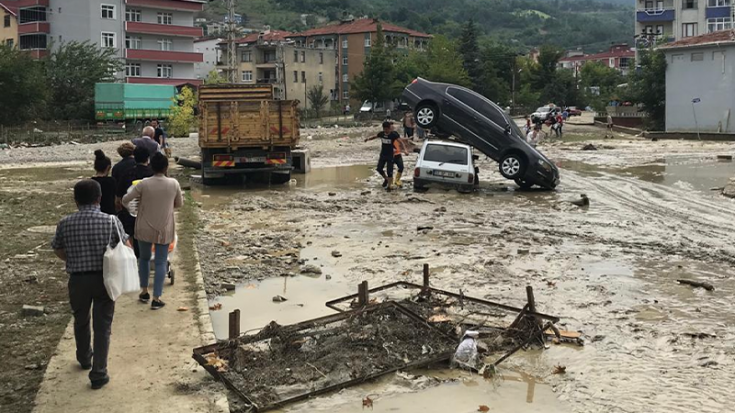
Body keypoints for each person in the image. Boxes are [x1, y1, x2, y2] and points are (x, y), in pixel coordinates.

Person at [52, 179, 128, 390]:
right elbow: (124, 245)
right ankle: (99, 373)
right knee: (102, 326)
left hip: (77, 279)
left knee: (81, 319)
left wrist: (73, 259)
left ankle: (84, 357)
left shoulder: (65, 222)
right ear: (99, 198)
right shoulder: (111, 221)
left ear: (75, 200)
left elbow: (57, 249)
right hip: (105, 279)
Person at [122, 153, 183, 310]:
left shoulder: (143, 184)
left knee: (143, 259)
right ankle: (157, 298)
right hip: (164, 227)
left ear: (151, 166)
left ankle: (143, 292)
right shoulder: (173, 183)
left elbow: (125, 200)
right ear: (166, 167)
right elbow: (179, 204)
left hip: (143, 227)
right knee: (162, 261)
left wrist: (136, 207)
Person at [116, 146, 154, 258]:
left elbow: (118, 197)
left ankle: (132, 258)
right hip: (150, 213)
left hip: (130, 211)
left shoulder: (127, 173)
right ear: (148, 158)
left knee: (131, 234)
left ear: (134, 157)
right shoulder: (153, 173)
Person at [365, 121, 400, 189]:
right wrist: (368, 139)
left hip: (390, 155)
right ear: (383, 128)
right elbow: (375, 136)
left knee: (389, 171)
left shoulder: (393, 135)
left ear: (389, 128)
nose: (386, 130)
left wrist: (405, 149)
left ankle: (389, 186)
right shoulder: (382, 134)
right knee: (379, 168)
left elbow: (400, 141)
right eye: (385, 129)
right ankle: (386, 179)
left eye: (387, 129)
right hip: (383, 154)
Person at [91, 150, 117, 215]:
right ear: (108, 167)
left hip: (94, 213)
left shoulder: (91, 182)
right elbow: (116, 200)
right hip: (109, 213)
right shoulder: (111, 181)